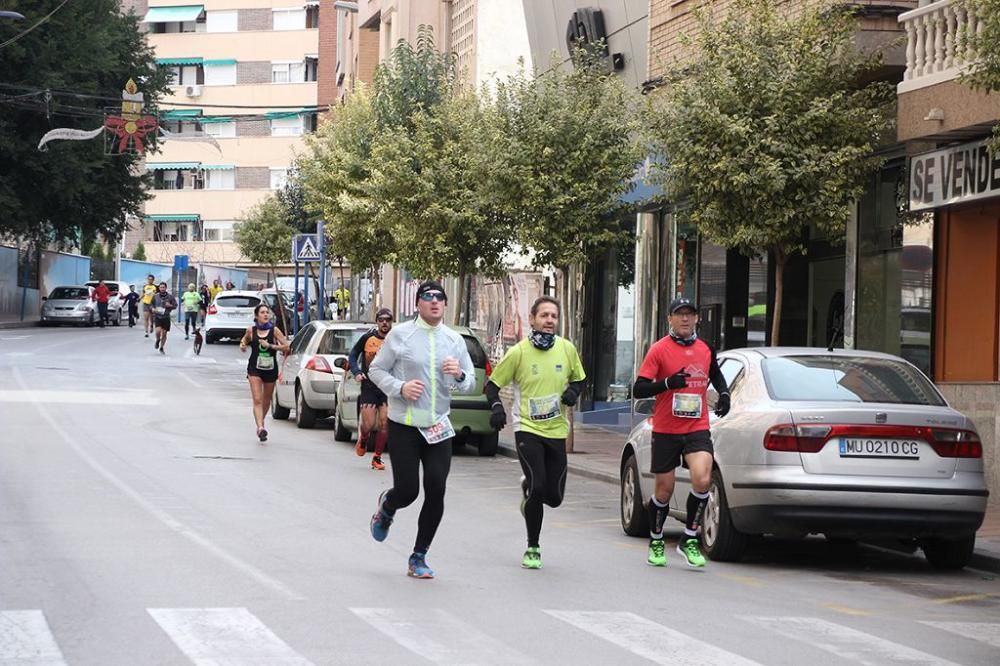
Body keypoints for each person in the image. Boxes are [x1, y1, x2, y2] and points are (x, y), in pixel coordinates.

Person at [367, 281, 475, 579]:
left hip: (439, 426)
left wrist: (460, 374)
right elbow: (376, 370)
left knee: (437, 489)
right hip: (405, 425)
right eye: (428, 297)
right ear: (418, 304)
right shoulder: (401, 334)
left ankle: (419, 556)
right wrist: (400, 387)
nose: (435, 302)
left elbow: (469, 383)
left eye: (440, 298)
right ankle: (388, 505)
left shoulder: (454, 340)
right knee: (408, 491)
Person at [485, 296, 586, 570]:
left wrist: (573, 391)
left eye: (553, 316)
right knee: (539, 487)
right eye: (544, 315)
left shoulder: (567, 349)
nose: (549, 320)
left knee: (554, 498)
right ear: (532, 319)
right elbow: (492, 385)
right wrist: (497, 408)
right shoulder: (518, 352)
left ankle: (528, 491)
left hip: (556, 430)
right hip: (527, 428)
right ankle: (533, 547)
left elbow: (580, 378)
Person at [632, 297, 730, 569]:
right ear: (670, 319)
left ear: (697, 318)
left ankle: (689, 539)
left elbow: (716, 374)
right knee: (664, 489)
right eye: (680, 315)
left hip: (697, 426)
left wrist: (724, 394)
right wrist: (666, 383)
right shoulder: (659, 350)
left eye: (690, 314)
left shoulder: (705, 347)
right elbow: (639, 389)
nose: (685, 319)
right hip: (665, 429)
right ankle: (656, 540)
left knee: (703, 478)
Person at [347, 308, 394, 470]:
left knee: (384, 423)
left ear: (391, 322)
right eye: (381, 320)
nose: (385, 323)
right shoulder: (368, 338)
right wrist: (357, 371)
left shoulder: (395, 339)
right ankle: (364, 438)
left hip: (387, 388)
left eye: (388, 320)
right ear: (377, 322)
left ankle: (377, 457)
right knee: (368, 424)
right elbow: (353, 355)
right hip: (369, 386)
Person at [240, 304, 290, 442]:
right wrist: (242, 345)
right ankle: (260, 427)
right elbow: (244, 339)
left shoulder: (274, 330)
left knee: (266, 400)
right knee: (257, 399)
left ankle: (261, 421)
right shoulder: (251, 330)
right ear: (256, 316)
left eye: (267, 312)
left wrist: (271, 346)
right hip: (254, 368)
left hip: (270, 369)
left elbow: (286, 347)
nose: (265, 315)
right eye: (262, 312)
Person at [151, 282, 178, 355]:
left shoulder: (170, 297)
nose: (162, 288)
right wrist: (153, 308)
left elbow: (175, 305)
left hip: (166, 317)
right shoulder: (155, 296)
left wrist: (170, 305)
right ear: (159, 288)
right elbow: (151, 304)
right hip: (158, 316)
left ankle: (162, 347)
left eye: (163, 287)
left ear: (166, 288)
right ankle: (157, 340)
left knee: (164, 333)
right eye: (161, 287)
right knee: (158, 331)